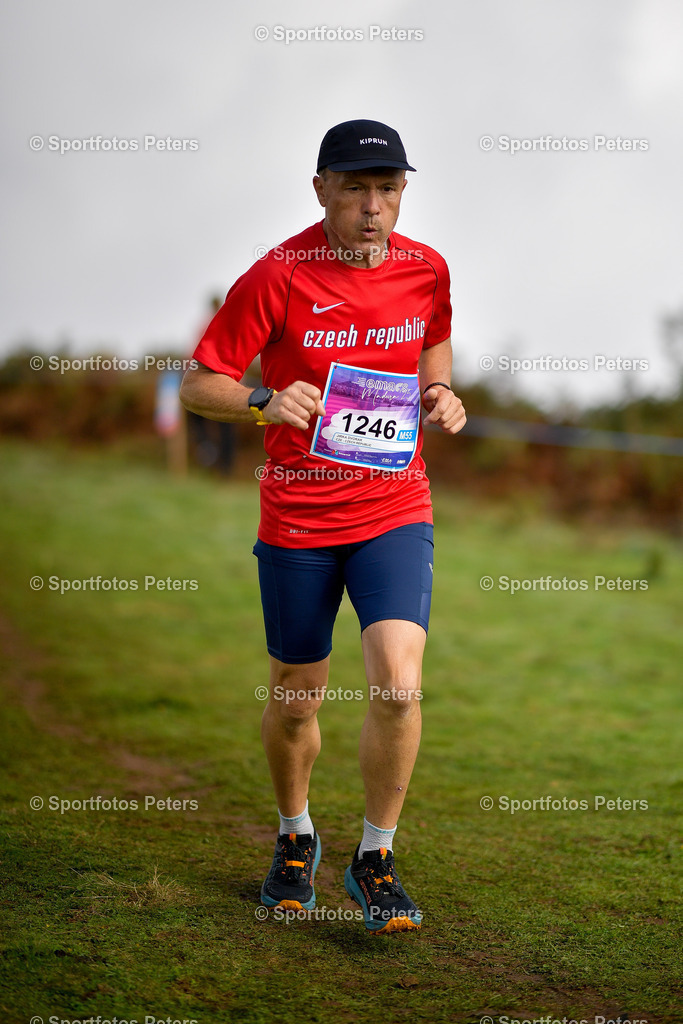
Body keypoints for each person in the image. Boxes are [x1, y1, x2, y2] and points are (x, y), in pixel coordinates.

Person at [179, 119, 466, 934]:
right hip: (300, 511)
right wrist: (265, 399)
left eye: (388, 190)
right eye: (354, 190)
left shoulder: (426, 269)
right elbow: (202, 383)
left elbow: (432, 339)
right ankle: (294, 836)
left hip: (392, 505)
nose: (373, 209)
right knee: (298, 700)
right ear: (320, 190)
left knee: (397, 682)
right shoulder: (276, 276)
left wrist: (438, 391)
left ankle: (374, 857)